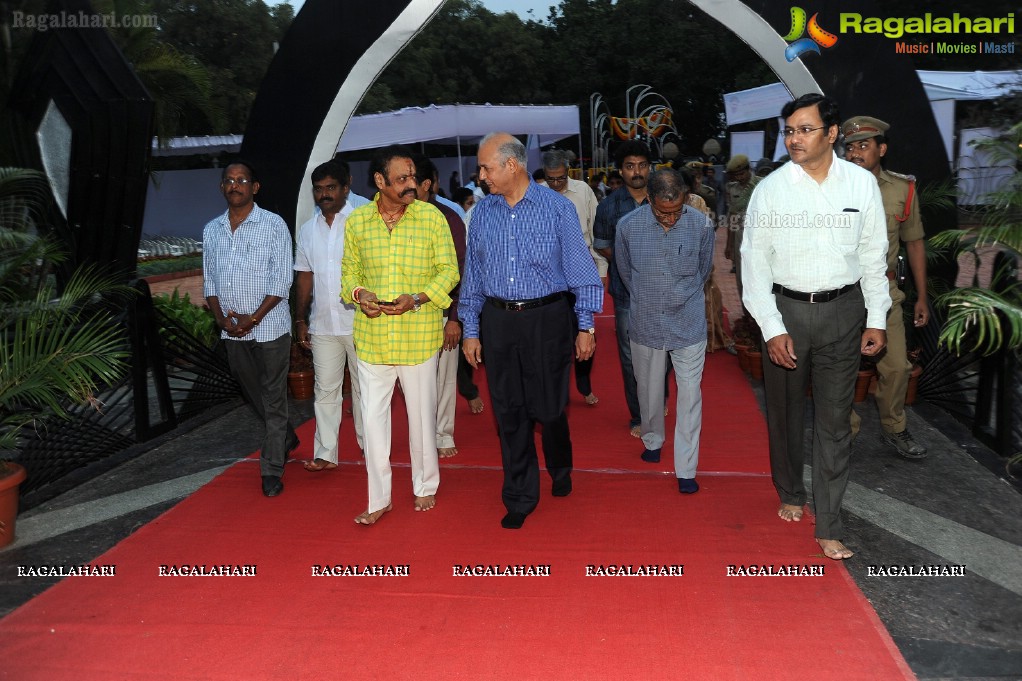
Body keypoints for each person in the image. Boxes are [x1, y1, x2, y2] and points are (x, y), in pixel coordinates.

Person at [741, 93, 891, 560]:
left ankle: (828, 522)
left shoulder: (860, 186)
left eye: (804, 129)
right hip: (787, 313)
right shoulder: (771, 190)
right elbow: (753, 266)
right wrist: (770, 327)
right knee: (785, 414)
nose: (794, 139)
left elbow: (873, 256)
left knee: (834, 422)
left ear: (831, 134)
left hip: (845, 314)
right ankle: (789, 490)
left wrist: (877, 318)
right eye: (789, 131)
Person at [460, 132, 602, 530]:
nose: (481, 175)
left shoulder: (557, 209)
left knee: (548, 408)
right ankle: (520, 494)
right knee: (509, 410)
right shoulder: (483, 212)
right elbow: (473, 275)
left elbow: (581, 269)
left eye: (486, 167)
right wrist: (471, 327)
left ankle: (559, 463)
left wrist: (585, 324)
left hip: (548, 319)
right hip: (498, 320)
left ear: (512, 165)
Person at [340, 145, 460, 526]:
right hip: (373, 337)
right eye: (403, 179)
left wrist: (419, 298)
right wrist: (362, 297)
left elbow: (449, 272)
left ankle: (424, 486)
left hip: (418, 334)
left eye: (413, 177)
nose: (412, 184)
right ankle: (379, 498)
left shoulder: (431, 218)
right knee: (373, 422)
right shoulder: (357, 221)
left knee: (421, 418)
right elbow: (349, 275)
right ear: (380, 182)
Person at [616, 169, 715, 493]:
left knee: (689, 396)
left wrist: (677, 296)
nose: (669, 220)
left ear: (685, 199)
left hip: (688, 323)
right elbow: (626, 273)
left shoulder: (701, 225)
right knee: (648, 390)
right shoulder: (628, 227)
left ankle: (686, 468)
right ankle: (653, 439)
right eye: (662, 212)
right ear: (649, 200)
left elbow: (703, 271)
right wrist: (651, 297)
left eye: (675, 212)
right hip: (646, 321)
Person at [202, 161, 298, 497]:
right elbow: (210, 281)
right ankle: (286, 435)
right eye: (228, 180)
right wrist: (220, 318)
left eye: (242, 180)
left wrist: (253, 318)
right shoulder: (211, 229)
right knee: (252, 392)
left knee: (273, 399)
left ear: (254, 187)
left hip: (269, 327)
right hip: (231, 331)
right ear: (221, 187)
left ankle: (271, 468)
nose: (235, 185)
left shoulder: (273, 226)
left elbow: (282, 280)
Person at [843, 115, 929, 459]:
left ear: (882, 149)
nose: (855, 153)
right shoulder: (832, 187)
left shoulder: (901, 190)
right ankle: (844, 430)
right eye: (849, 147)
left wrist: (922, 295)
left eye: (863, 145)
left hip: (886, 293)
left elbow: (915, 243)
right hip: (843, 294)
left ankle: (894, 427)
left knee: (896, 367)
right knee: (842, 367)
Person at [293, 160, 364, 473]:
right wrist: (300, 318)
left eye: (330, 188)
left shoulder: (363, 222)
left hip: (362, 321)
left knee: (365, 390)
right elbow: (304, 276)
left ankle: (369, 448)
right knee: (325, 391)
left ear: (345, 187)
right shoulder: (308, 230)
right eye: (319, 189)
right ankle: (325, 453)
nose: (324, 195)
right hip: (322, 324)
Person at [410, 153, 469, 459]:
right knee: (413, 383)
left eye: (409, 182)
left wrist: (455, 318)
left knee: (444, 378)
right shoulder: (394, 217)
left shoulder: (448, 218)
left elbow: (461, 269)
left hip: (442, 312)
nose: (404, 188)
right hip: (405, 315)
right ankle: (420, 435)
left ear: (426, 185)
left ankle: (442, 434)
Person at [593, 140, 652, 437]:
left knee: (662, 351)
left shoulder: (662, 197)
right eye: (630, 166)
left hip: (662, 291)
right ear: (621, 170)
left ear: (649, 168)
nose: (637, 172)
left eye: (642, 165)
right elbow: (601, 244)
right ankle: (639, 415)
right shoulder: (609, 205)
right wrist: (629, 262)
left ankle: (658, 397)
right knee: (630, 357)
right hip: (626, 291)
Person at [542, 149, 604, 406]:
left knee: (585, 330)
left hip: (581, 272)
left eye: (561, 178)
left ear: (569, 172)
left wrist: (599, 270)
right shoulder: (536, 194)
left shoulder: (583, 192)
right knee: (554, 336)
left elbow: (595, 229)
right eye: (551, 179)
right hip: (549, 279)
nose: (556, 184)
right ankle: (556, 388)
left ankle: (583, 381)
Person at [723, 154, 759, 289]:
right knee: (741, 277)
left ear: (748, 169)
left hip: (758, 236)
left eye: (742, 174)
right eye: (736, 175)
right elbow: (731, 217)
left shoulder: (761, 184)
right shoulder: (732, 188)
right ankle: (745, 307)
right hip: (740, 237)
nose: (739, 177)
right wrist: (729, 245)